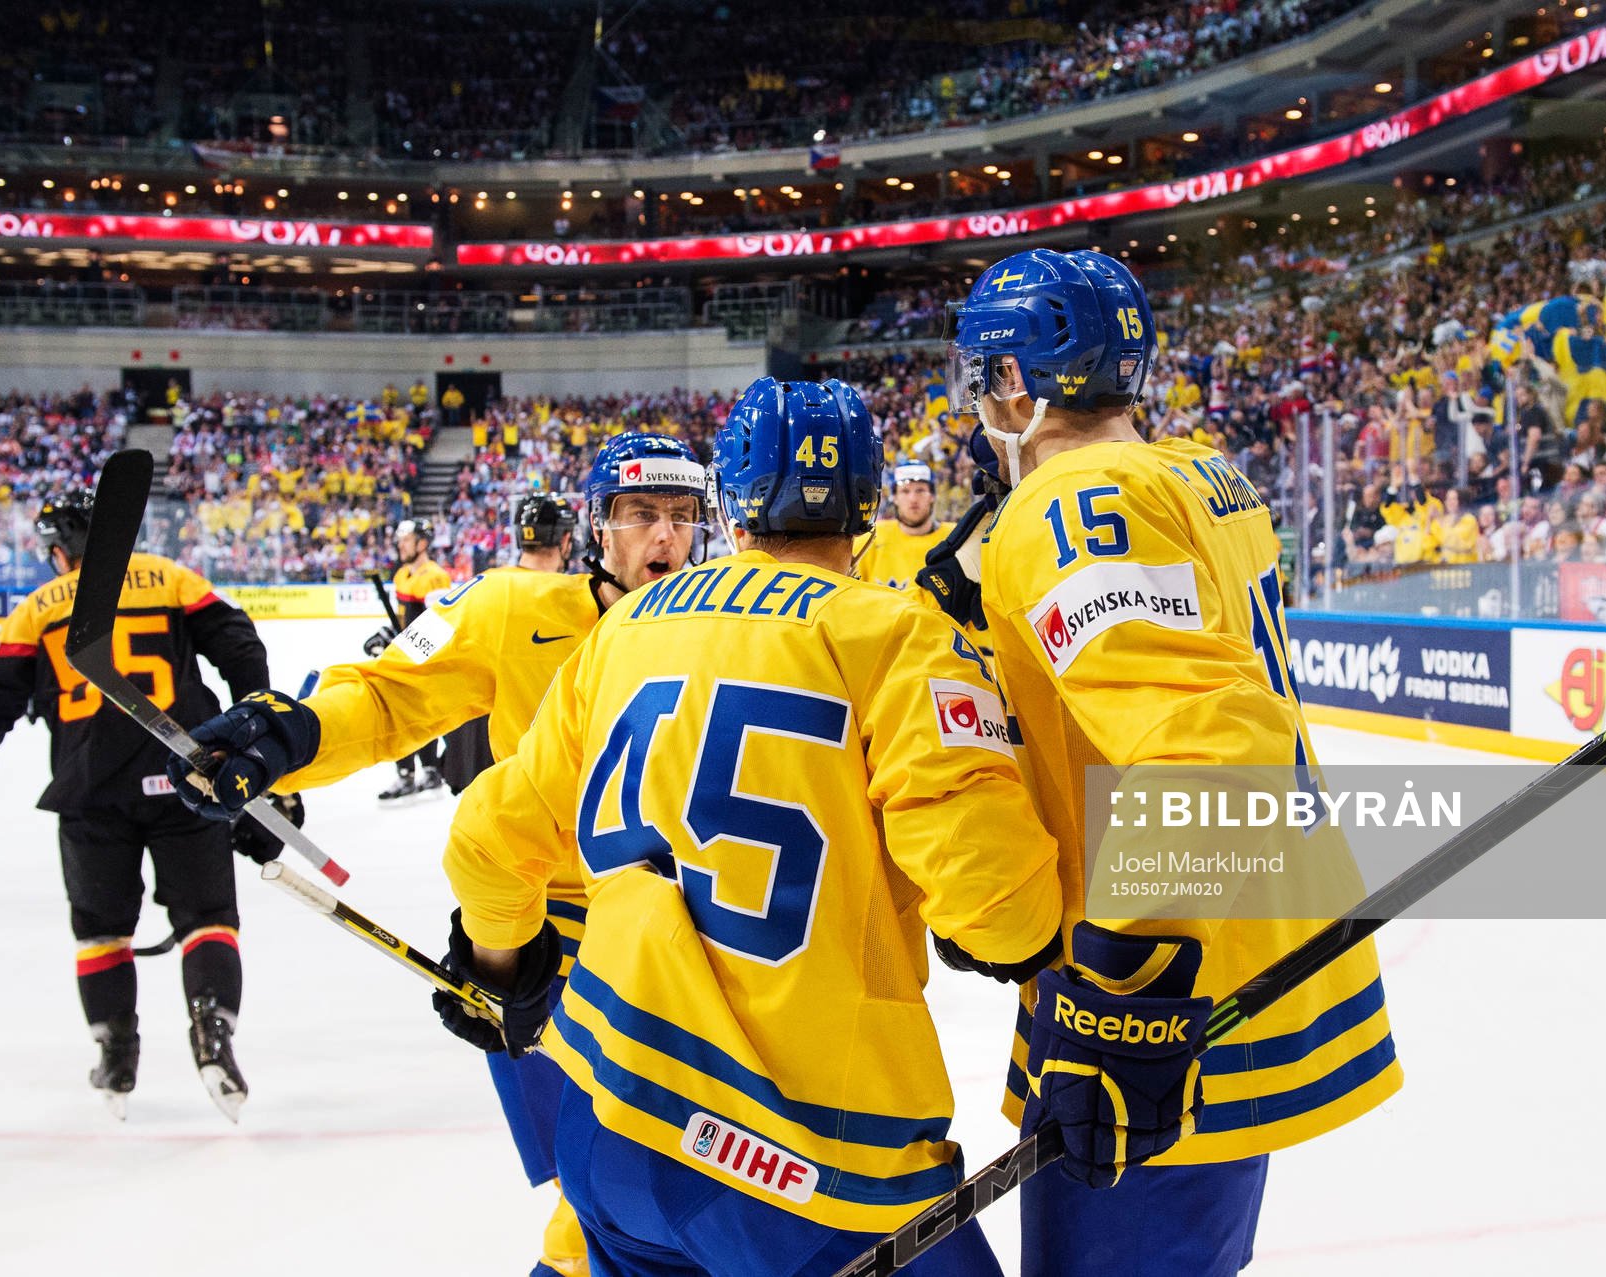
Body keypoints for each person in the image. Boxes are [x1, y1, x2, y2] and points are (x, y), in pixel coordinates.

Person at [435, 377, 1064, 1276]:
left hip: (610, 1118)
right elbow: (998, 903)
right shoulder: (899, 633)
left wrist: (505, 965)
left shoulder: (625, 628)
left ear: (727, 503)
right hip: (809, 1158)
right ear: (871, 500)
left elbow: (487, 842)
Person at [942, 247, 1401, 1277]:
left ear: (1015, 378)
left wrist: (1126, 983)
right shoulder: (1200, 470)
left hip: (1175, 972)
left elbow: (1205, 749)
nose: (977, 403)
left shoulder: (1071, 505)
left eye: (984, 376)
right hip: (1250, 928)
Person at [163, 435, 708, 1277]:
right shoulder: (506, 609)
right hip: (547, 940)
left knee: (638, 1194)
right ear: (599, 527)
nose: (664, 538)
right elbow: (387, 693)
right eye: (642, 515)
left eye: (682, 516)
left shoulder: (735, 624)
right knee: (616, 1192)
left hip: (698, 945)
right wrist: (285, 733)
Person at [0, 490, 276, 1121]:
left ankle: (116, 1053)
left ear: (58, 551)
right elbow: (241, 647)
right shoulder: (171, 578)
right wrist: (254, 726)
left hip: (91, 790)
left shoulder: (36, 608)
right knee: (207, 913)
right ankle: (213, 1036)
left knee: (100, 927)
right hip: (187, 774)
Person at [368, 517, 453, 800]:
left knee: (420, 715)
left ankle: (428, 769)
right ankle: (409, 772)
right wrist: (388, 633)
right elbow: (402, 619)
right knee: (402, 714)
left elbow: (440, 621)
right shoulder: (402, 574)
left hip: (425, 657)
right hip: (406, 653)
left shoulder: (435, 576)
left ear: (422, 543)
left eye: (406, 540)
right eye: (400, 540)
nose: (400, 545)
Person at [853, 459, 955, 589]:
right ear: (894, 497)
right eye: (905, 491)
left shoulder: (954, 538)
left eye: (920, 490)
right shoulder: (870, 539)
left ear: (932, 496)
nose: (913, 499)